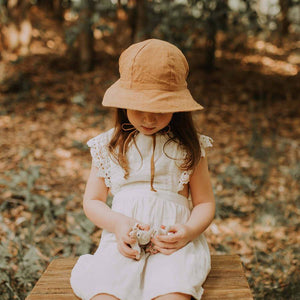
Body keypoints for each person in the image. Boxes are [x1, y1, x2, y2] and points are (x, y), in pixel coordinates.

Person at [70, 39, 215, 300]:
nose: (149, 119)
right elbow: (92, 201)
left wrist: (189, 231)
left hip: (173, 248)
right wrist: (117, 223)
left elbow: (204, 203)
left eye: (160, 109)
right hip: (122, 243)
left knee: (172, 294)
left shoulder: (191, 147)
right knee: (105, 293)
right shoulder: (107, 146)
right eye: (139, 108)